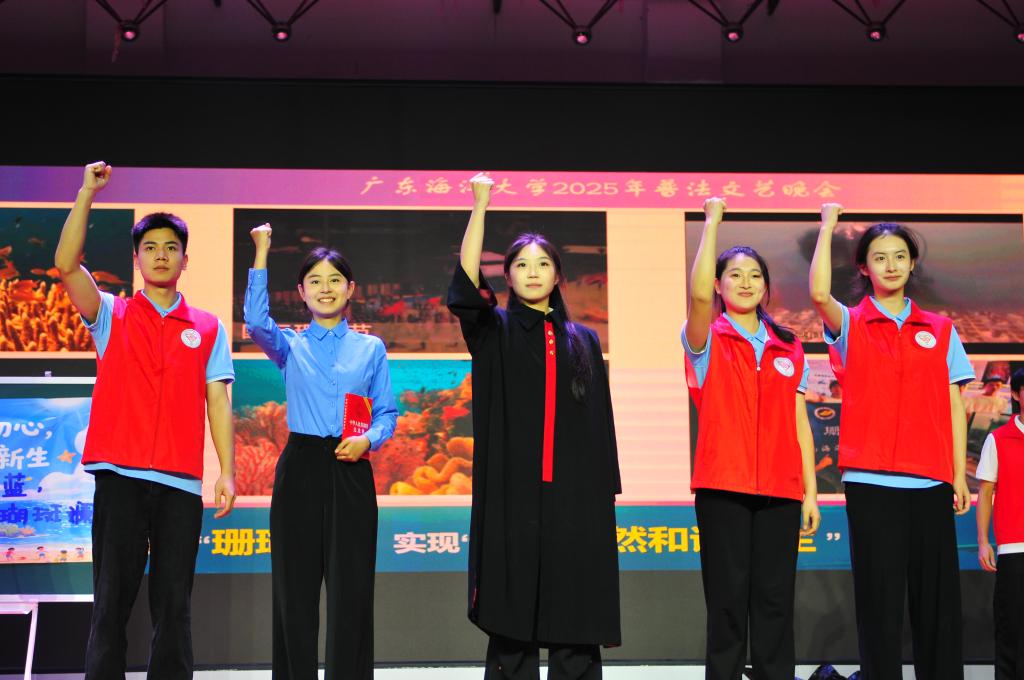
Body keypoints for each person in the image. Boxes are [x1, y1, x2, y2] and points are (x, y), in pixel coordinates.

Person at [55, 161, 236, 679]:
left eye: (170, 248)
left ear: (184, 259)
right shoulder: (111, 314)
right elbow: (66, 264)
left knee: (174, 608)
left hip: (180, 484)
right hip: (121, 479)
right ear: (136, 259)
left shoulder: (207, 327)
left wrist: (227, 471)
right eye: (150, 247)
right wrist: (86, 193)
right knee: (111, 603)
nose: (160, 255)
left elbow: (218, 401)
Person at [447, 173, 621, 680]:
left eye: (543, 263)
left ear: (558, 275)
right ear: (506, 276)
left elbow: (600, 424)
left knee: (574, 610)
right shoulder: (493, 329)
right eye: (521, 264)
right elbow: (464, 284)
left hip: (575, 498)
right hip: (513, 494)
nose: (532, 272)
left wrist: (602, 491)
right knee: (513, 609)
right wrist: (480, 206)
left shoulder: (583, 340)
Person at [809, 204, 973, 680]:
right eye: (879, 258)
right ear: (864, 267)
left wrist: (958, 474)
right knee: (879, 607)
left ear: (912, 263)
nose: (892, 265)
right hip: (872, 484)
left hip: (930, 483)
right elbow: (818, 293)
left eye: (900, 256)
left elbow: (954, 405)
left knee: (937, 607)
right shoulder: (851, 324)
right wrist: (827, 226)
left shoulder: (940, 330)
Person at [244, 223, 397, 680]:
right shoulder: (290, 345)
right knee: (295, 590)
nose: (325, 288)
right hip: (301, 467)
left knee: (352, 591)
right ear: (301, 292)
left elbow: (386, 413)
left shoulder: (370, 348)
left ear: (350, 289)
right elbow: (255, 322)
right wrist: (262, 251)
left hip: (352, 468)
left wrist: (369, 439)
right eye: (315, 281)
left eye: (334, 280)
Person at [682, 197, 820, 680]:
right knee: (726, 603)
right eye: (734, 275)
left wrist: (810, 492)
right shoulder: (706, 338)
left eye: (755, 275)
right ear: (717, 285)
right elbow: (698, 299)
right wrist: (711, 222)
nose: (745, 283)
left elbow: (799, 422)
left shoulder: (789, 345)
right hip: (723, 487)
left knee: (775, 602)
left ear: (766, 286)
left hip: (781, 490)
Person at [976, 367, 1024, 680]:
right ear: (1017, 394)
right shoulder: (998, 439)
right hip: (1013, 549)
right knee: (1012, 631)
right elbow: (985, 492)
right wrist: (983, 542)